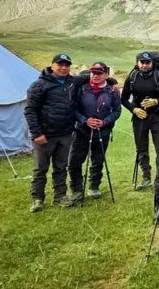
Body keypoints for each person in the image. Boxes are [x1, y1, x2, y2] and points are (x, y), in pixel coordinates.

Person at [24, 54, 77, 212]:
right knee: (40, 169)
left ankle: (60, 196)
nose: (63, 68)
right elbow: (30, 110)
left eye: (66, 65)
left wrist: (112, 83)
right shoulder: (39, 85)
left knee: (61, 167)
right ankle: (37, 199)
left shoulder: (72, 82)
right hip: (45, 135)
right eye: (60, 64)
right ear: (52, 66)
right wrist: (36, 133)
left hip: (65, 134)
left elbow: (93, 77)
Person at [66, 62, 121, 205]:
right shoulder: (81, 88)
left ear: (106, 75)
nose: (95, 76)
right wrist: (85, 120)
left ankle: (94, 186)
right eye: (93, 73)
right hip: (81, 131)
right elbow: (73, 108)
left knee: (98, 160)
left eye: (99, 73)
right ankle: (77, 189)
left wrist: (104, 122)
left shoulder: (112, 91)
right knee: (74, 161)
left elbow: (117, 111)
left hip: (103, 132)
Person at [121, 52, 159, 190]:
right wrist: (134, 109)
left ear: (152, 63)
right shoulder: (132, 77)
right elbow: (124, 99)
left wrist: (156, 101)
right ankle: (146, 177)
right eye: (142, 62)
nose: (144, 65)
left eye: (147, 63)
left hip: (157, 116)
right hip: (139, 116)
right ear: (138, 63)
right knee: (141, 148)